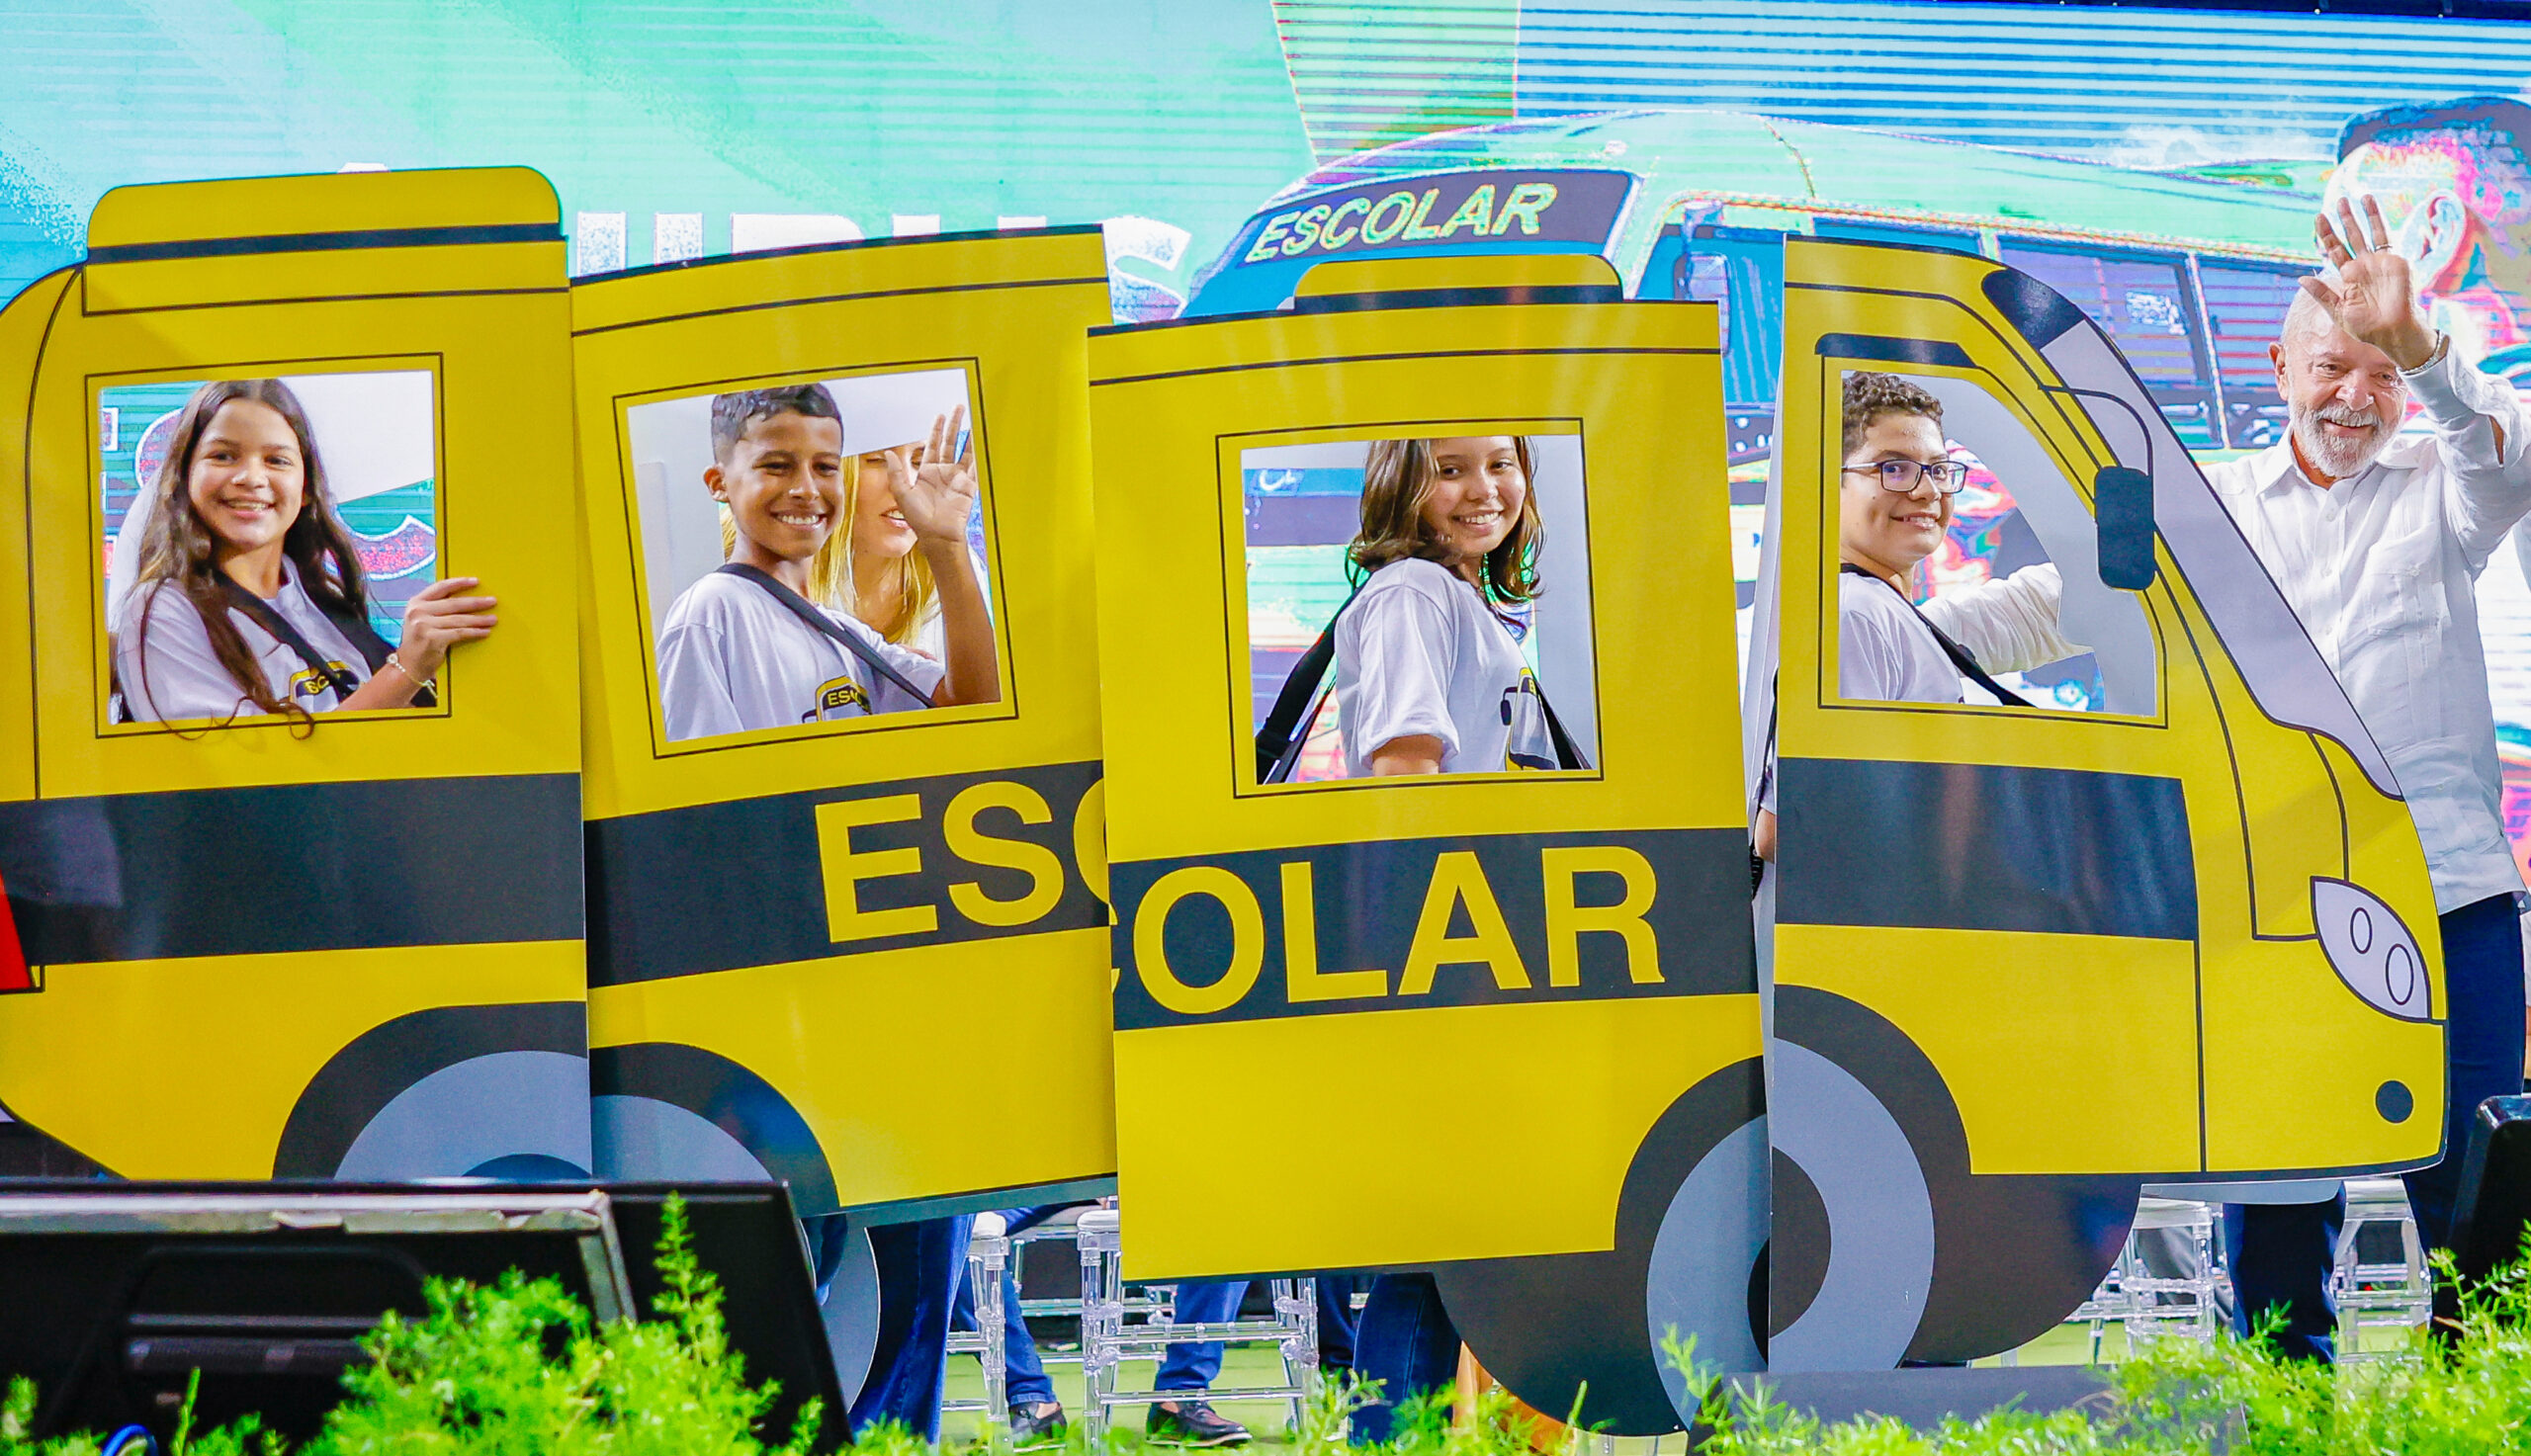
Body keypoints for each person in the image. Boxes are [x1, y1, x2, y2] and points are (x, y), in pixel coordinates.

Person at [2211, 195, 2531, 1361]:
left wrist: (2425, 356)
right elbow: (2053, 611)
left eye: (2378, 375)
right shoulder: (2210, 507)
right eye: (2334, 365)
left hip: (2451, 896)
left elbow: (2519, 459)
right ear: (2278, 363)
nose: (2357, 394)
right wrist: (1861, 600)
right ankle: (2290, 1417)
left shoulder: (2442, 492)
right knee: (2282, 1192)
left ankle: (2477, 1400)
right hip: (2276, 903)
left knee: (2480, 1182)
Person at [1751, 372, 2084, 861]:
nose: (1928, 491)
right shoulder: (1855, 618)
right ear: (1825, 483)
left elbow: (2028, 614)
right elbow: (1786, 829)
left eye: (1938, 469)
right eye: (1894, 469)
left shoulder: (1881, 611)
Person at [114, 378, 494, 725]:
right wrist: (406, 670)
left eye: (276, 460)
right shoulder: (162, 612)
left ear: (306, 486)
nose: (251, 478)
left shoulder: (321, 601)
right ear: (184, 476)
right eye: (223, 456)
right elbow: (251, 774)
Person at [655, 385, 999, 741]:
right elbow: (703, 786)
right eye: (776, 466)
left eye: (824, 467)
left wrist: (945, 546)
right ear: (719, 483)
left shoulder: (848, 636)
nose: (806, 488)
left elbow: (977, 708)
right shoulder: (714, 611)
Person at [1333, 435, 1567, 778]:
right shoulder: (1413, 589)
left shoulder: (1451, 595)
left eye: (1500, 465)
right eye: (1451, 471)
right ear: (1400, 484)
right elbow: (1405, 776)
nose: (1483, 491)